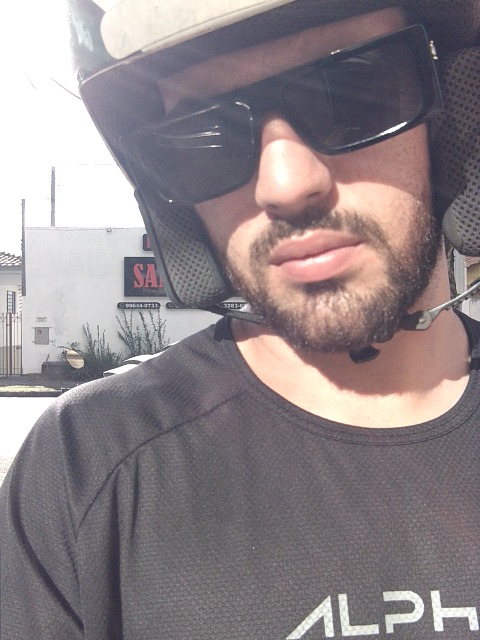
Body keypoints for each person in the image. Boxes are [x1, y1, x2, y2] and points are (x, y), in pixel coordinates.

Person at [1, 0, 480, 637]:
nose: (285, 184)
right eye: (204, 135)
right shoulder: (85, 472)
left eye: (353, 90)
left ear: (452, 113)